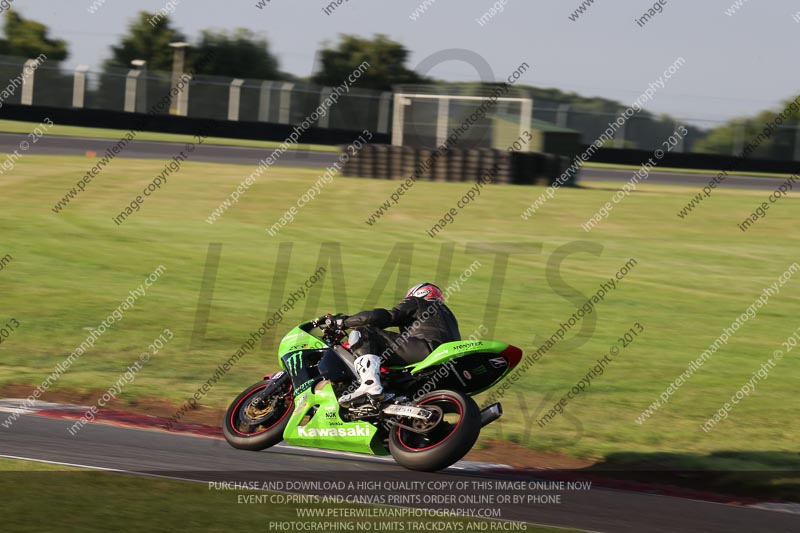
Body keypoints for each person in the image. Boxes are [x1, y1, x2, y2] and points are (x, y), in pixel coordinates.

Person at [318, 283, 460, 406]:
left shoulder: (419, 302)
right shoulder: (449, 316)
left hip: (426, 349)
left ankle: (369, 385)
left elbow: (383, 317)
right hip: (445, 361)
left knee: (364, 332)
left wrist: (345, 322)